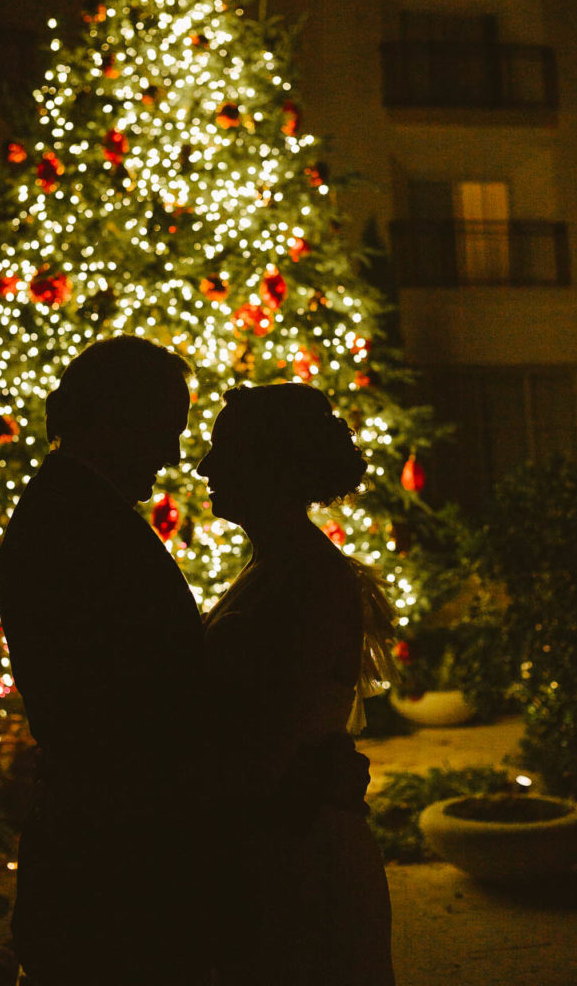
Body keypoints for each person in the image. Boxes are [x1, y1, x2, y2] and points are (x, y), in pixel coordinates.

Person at [0, 336, 207, 986]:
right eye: (165, 430)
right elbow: (129, 700)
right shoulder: (75, 523)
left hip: (103, 848)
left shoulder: (74, 507)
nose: (173, 455)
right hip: (112, 864)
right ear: (116, 417)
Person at [197, 382, 397, 986]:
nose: (205, 467)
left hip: (297, 857)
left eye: (222, 449)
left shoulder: (310, 579)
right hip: (279, 843)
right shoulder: (276, 566)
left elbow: (275, 740)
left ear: (271, 465)